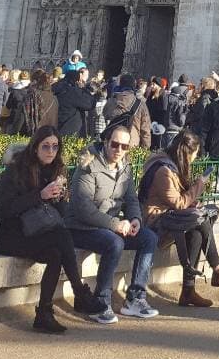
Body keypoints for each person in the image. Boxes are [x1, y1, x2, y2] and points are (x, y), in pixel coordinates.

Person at [0, 126, 104, 332]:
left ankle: (44, 314)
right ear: (35, 147)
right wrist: (40, 195)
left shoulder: (55, 170)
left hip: (38, 234)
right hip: (11, 236)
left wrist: (59, 197)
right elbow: (4, 209)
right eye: (45, 146)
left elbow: (60, 214)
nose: (50, 151)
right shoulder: (16, 170)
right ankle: (79, 292)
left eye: (55, 146)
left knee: (55, 253)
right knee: (62, 236)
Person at [66, 117, 160, 323]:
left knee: (149, 238)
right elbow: (83, 209)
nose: (119, 150)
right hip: (80, 227)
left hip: (109, 225)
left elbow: (131, 198)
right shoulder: (88, 165)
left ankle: (136, 298)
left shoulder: (124, 166)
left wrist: (135, 219)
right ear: (106, 142)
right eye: (115, 144)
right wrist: (115, 225)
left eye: (124, 146)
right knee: (114, 242)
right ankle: (101, 303)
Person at [140, 129, 219, 306]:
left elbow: (178, 201)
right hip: (156, 223)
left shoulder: (169, 165)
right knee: (200, 220)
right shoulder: (163, 171)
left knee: (197, 229)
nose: (194, 159)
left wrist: (192, 203)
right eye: (194, 155)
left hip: (170, 218)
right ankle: (216, 269)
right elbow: (179, 203)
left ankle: (189, 290)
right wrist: (200, 184)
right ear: (186, 153)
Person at [103, 73, 152, 149]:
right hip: (131, 144)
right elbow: (145, 129)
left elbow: (105, 115)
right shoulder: (140, 104)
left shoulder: (113, 100)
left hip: (113, 143)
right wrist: (145, 149)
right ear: (133, 86)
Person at [10, 66, 58, 136]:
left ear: (35, 81)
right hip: (49, 134)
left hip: (33, 134)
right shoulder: (54, 98)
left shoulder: (32, 95)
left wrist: (13, 132)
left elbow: (23, 115)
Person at [53, 64, 97, 139]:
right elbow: (90, 103)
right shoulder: (72, 91)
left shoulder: (55, 87)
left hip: (55, 126)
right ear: (76, 80)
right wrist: (83, 89)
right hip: (69, 131)